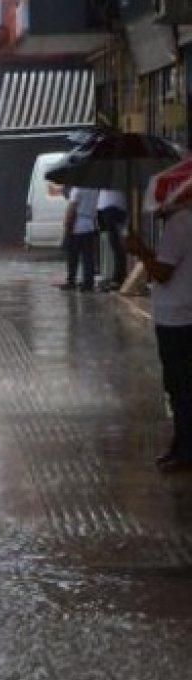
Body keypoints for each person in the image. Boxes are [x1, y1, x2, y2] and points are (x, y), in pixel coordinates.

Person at [126, 207, 192, 472]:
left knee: (180, 387)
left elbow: (163, 273)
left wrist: (140, 250)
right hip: (182, 312)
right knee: (181, 386)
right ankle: (180, 445)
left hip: (176, 317)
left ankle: (186, 450)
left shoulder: (180, 223)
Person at [62, 187, 99, 291]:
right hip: (90, 225)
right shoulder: (94, 190)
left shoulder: (77, 189)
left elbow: (72, 207)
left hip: (77, 226)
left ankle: (71, 281)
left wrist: (67, 223)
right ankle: (88, 283)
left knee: (73, 256)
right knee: (88, 257)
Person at [98, 189, 128, 291]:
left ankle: (118, 277)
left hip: (111, 208)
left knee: (116, 245)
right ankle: (114, 276)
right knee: (111, 245)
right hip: (108, 208)